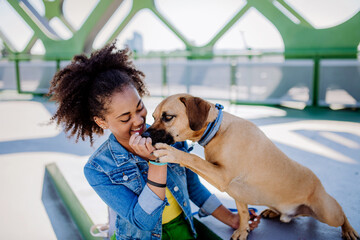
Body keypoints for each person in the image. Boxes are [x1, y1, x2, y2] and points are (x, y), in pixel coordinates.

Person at [48, 42, 260, 240]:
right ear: (101, 121)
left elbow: (193, 188)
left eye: (140, 107)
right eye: (125, 117)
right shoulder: (98, 169)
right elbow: (144, 221)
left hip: (182, 230)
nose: (139, 121)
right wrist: (156, 161)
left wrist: (232, 218)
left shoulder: (171, 136)